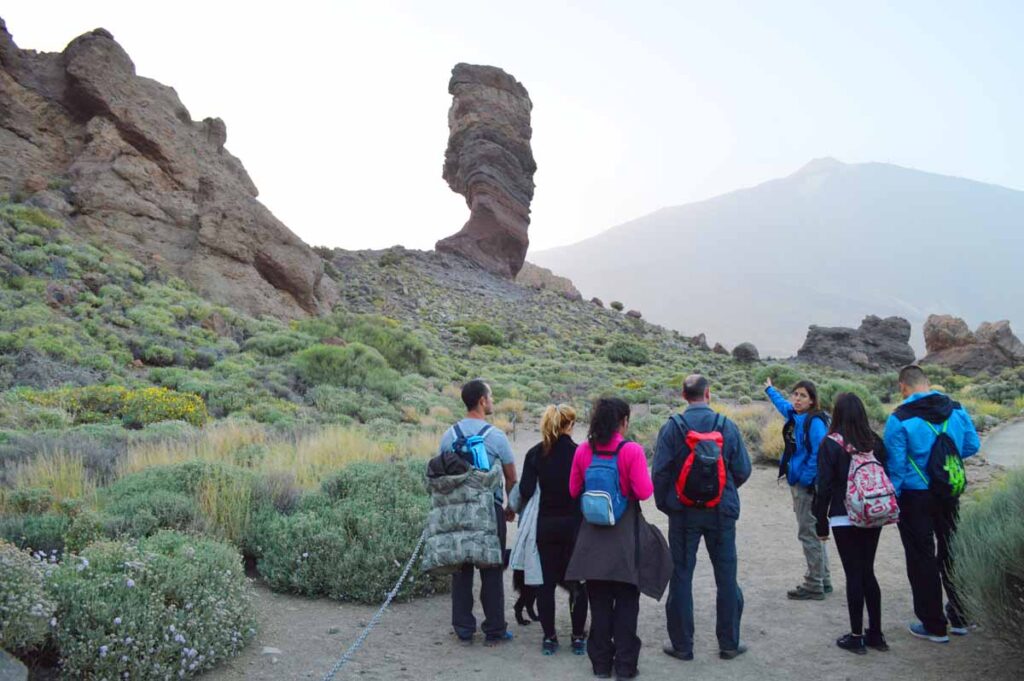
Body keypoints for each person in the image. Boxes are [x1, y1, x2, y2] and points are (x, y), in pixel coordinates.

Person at [653, 374, 752, 662]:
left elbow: (659, 473)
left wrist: (670, 505)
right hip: (721, 514)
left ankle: (683, 646)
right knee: (726, 575)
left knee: (681, 576)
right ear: (708, 393)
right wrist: (723, 491)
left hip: (684, 515)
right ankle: (729, 643)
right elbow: (743, 469)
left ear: (684, 395)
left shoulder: (672, 428)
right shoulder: (727, 426)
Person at [884, 364, 980, 643]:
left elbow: (898, 468)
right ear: (928, 382)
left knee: (921, 558)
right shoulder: (957, 409)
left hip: (916, 497)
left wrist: (894, 500)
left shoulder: (900, 418)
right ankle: (961, 616)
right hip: (950, 491)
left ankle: (934, 625)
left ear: (903, 387)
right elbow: (973, 446)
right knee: (952, 550)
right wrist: (946, 461)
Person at [566, 397, 654, 679]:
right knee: (628, 601)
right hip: (624, 536)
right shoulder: (632, 451)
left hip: (592, 538)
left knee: (599, 602)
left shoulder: (583, 451)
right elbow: (643, 492)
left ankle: (601, 664)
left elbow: (573, 490)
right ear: (623, 421)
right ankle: (626, 666)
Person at [437, 379, 518, 646]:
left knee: (461, 571)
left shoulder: (449, 435)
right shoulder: (496, 436)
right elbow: (510, 478)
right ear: (482, 401)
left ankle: (463, 628)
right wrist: (509, 507)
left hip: (458, 511)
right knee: (492, 570)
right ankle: (494, 629)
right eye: (490, 397)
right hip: (489, 511)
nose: (492, 401)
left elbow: (443, 474)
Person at [813, 392, 891, 654]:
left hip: (843, 515)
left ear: (836, 413)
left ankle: (856, 636)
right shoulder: (874, 442)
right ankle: (876, 634)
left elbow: (822, 487)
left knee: (853, 574)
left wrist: (820, 522)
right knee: (868, 571)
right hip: (873, 513)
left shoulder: (830, 444)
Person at [519, 404, 588, 656]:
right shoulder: (580, 453)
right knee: (578, 584)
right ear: (569, 425)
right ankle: (578, 637)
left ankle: (549, 638)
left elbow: (526, 491)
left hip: (545, 527)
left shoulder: (535, 454)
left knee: (545, 584)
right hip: (575, 527)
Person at [764, 376, 832, 600]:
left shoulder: (815, 422)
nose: (797, 399)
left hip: (808, 486)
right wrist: (770, 390)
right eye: (796, 394)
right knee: (813, 530)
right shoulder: (795, 415)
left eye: (803, 396)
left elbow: (818, 454)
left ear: (812, 400)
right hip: (800, 482)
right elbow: (783, 404)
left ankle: (814, 584)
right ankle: (823, 579)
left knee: (808, 532)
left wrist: (804, 478)